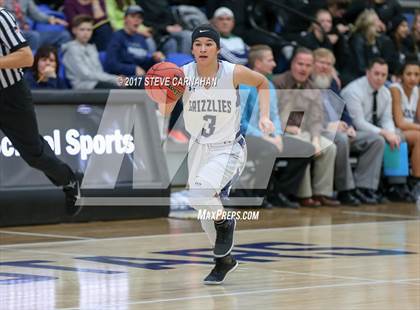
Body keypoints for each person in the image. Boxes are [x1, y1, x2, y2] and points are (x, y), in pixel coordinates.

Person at [157, 24, 274, 284]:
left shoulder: (232, 72)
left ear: (218, 49)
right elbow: (165, 111)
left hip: (228, 148)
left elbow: (263, 83)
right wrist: (161, 95)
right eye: (198, 44)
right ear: (191, 49)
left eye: (208, 44)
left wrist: (264, 117)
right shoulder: (183, 75)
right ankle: (224, 261)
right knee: (203, 211)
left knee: (200, 195)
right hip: (198, 148)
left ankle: (226, 223)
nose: (202, 48)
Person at [0, 7, 81, 215]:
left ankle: (69, 180)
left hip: (11, 95)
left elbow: (26, 57)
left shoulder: (2, 17)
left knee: (34, 154)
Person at [240, 45, 313, 209]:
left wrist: (278, 135)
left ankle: (280, 193)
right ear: (258, 63)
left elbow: (274, 116)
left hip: (268, 136)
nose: (274, 64)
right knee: (270, 150)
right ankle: (258, 196)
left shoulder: (270, 86)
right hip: (244, 137)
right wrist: (264, 137)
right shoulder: (243, 84)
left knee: (306, 149)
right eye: (270, 60)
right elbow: (240, 122)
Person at [313, 48, 385, 205]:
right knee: (341, 139)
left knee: (376, 140)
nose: (325, 67)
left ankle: (364, 187)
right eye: (321, 62)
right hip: (321, 132)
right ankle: (345, 190)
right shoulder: (308, 83)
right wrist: (328, 125)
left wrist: (350, 125)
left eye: (329, 64)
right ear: (313, 63)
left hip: (341, 129)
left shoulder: (331, 82)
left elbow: (343, 108)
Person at [273, 48, 339, 207]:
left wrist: (316, 139)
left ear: (312, 68)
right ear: (292, 64)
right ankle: (303, 195)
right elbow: (270, 113)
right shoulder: (278, 82)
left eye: (308, 65)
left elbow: (317, 119)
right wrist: (285, 128)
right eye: (300, 64)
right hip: (281, 131)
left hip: (304, 130)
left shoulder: (313, 87)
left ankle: (321, 192)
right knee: (305, 146)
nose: (303, 68)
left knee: (329, 147)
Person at [341, 58, 413, 202]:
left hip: (370, 131)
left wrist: (391, 133)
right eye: (376, 73)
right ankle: (364, 187)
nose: (380, 78)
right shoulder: (353, 91)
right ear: (368, 73)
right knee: (379, 139)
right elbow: (358, 122)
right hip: (352, 131)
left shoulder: (385, 92)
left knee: (399, 137)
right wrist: (384, 132)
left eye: (383, 75)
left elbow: (386, 119)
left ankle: (395, 185)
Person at [62, 15, 122, 89]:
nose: (86, 33)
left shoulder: (91, 48)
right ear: (74, 30)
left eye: (89, 30)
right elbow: (86, 75)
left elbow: (99, 72)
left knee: (132, 85)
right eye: (82, 29)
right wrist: (115, 79)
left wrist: (115, 80)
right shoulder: (71, 50)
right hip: (83, 87)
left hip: (98, 82)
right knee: (118, 90)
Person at [104, 5, 164, 77]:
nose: (137, 20)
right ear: (125, 19)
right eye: (133, 16)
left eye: (139, 17)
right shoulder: (117, 37)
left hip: (140, 78)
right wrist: (132, 69)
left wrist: (154, 59)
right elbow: (111, 64)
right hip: (122, 78)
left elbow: (143, 63)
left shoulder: (141, 39)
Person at [390, 60, 420, 199]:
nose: (413, 78)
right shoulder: (395, 89)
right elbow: (400, 122)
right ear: (401, 75)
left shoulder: (417, 91)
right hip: (394, 130)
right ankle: (416, 181)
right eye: (409, 74)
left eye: (416, 74)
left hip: (411, 131)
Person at [4, 0, 71, 50]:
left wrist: (53, 19)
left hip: (27, 32)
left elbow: (36, 14)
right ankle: (30, 65)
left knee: (64, 35)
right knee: (33, 36)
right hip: (11, 33)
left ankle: (54, 63)